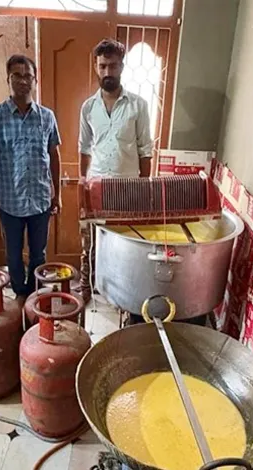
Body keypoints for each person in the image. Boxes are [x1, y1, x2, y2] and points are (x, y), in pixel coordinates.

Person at [0, 55, 62, 305]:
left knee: (39, 254)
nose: (23, 81)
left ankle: (34, 295)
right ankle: (19, 294)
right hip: (9, 202)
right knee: (13, 255)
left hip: (40, 201)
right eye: (17, 75)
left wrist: (57, 194)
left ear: (35, 80)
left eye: (28, 76)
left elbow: (54, 156)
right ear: (8, 79)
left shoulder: (47, 117)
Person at [78, 38, 154, 304]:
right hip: (97, 187)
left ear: (121, 67)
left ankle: (123, 294)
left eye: (112, 66)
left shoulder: (138, 105)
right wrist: (82, 183)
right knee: (90, 243)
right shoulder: (88, 107)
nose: (107, 72)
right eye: (102, 66)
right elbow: (84, 148)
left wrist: (144, 187)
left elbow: (145, 150)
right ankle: (87, 286)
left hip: (128, 188)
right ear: (96, 67)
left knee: (126, 244)